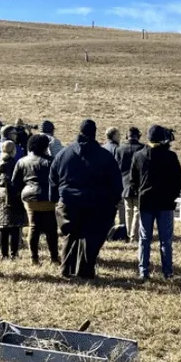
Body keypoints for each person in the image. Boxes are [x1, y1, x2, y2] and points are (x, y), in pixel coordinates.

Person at [50, 119, 122, 280]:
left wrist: (55, 199)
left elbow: (53, 178)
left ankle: (66, 269)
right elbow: (116, 183)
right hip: (97, 204)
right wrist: (113, 201)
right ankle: (85, 270)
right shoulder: (105, 156)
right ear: (95, 133)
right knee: (92, 238)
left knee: (70, 236)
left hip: (68, 202)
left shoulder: (64, 154)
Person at [128, 124, 181, 280]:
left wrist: (140, 192)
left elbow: (133, 180)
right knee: (166, 240)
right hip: (165, 203)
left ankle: (143, 271)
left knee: (144, 239)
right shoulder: (170, 156)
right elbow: (177, 181)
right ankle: (168, 271)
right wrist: (172, 196)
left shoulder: (139, 155)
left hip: (146, 202)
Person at [14, 132, 60, 264]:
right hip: (48, 198)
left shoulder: (22, 161)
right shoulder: (50, 161)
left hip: (29, 198)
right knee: (51, 229)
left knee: (33, 227)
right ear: (45, 146)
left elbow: (15, 182)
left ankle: (34, 258)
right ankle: (54, 258)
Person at [0, 138, 27, 260]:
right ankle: (14, 253)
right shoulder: (14, 163)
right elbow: (18, 180)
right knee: (15, 226)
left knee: (3, 226)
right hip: (13, 195)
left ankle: (3, 253)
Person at [113, 127, 144, 241]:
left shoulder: (119, 149)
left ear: (127, 136)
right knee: (137, 210)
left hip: (124, 183)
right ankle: (133, 236)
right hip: (138, 183)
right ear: (138, 136)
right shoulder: (143, 148)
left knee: (127, 210)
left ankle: (127, 234)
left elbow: (117, 168)